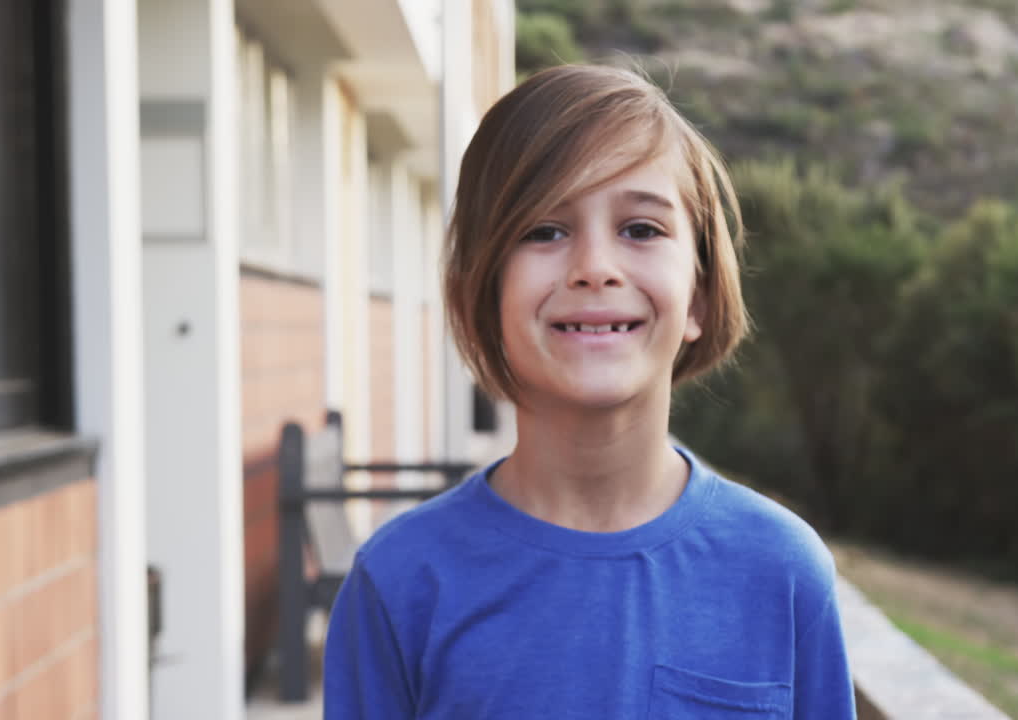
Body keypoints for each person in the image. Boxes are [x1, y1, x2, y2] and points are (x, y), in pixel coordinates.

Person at [323, 63, 854, 719]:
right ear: (482, 297)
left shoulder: (783, 571)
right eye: (544, 230)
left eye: (641, 229)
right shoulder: (400, 584)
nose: (595, 268)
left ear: (701, 294)